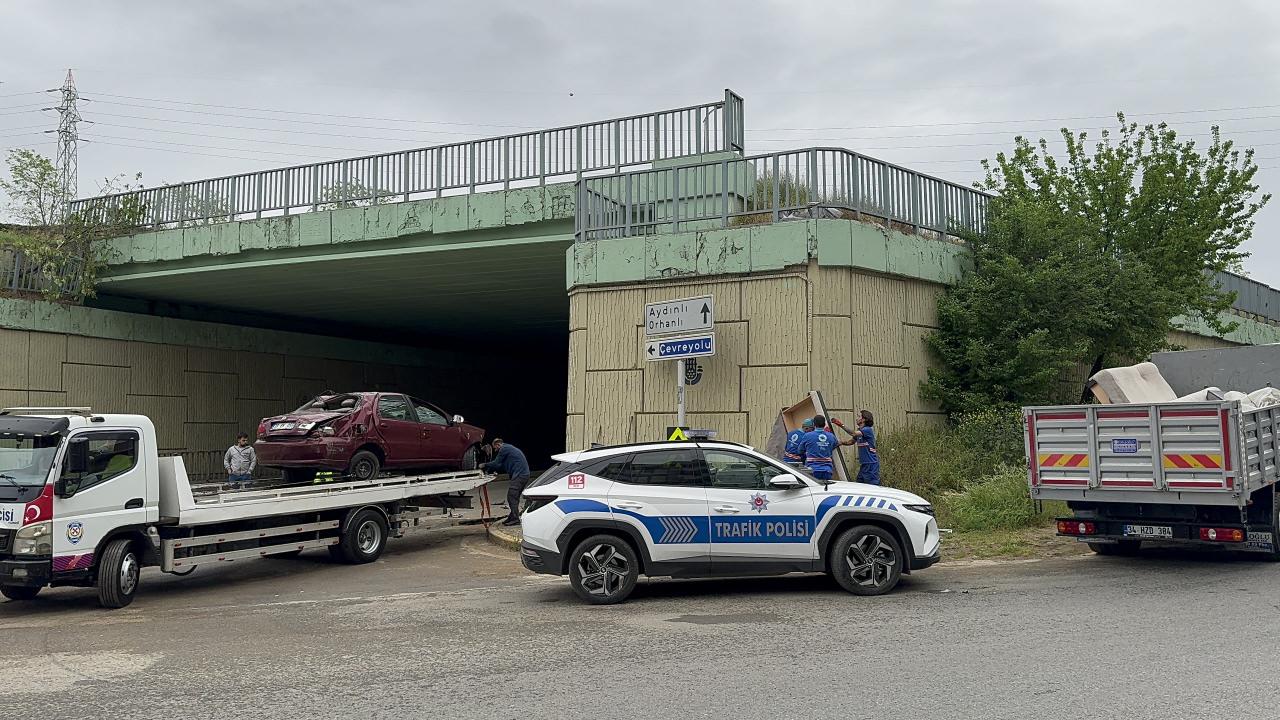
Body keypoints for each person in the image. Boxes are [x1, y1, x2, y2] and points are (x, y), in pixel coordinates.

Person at [483, 438, 530, 526]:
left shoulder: (504, 449)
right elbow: (500, 465)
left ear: (498, 445)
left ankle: (515, 519)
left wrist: (484, 465)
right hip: (523, 475)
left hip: (520, 475)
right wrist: (490, 470)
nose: (496, 451)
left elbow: (496, 462)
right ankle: (512, 516)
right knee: (514, 497)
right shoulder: (509, 449)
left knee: (511, 496)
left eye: (495, 448)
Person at [834, 410, 880, 485]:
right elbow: (851, 442)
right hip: (864, 465)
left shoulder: (867, 430)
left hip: (871, 465)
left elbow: (853, 433)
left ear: (864, 419)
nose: (856, 418)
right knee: (859, 485)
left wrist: (841, 425)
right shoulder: (860, 431)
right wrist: (841, 442)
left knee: (872, 487)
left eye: (859, 416)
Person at [800, 415, 838, 482]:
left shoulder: (807, 436)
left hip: (812, 470)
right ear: (824, 424)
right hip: (827, 470)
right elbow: (834, 446)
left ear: (814, 424)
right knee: (825, 490)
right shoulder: (831, 436)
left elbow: (800, 450)